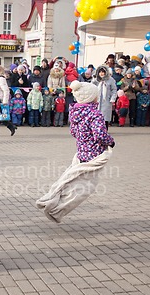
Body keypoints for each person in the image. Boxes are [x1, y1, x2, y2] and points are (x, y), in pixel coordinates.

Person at [35, 80, 114, 222]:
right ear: (91, 97)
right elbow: (100, 135)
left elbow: (73, 132)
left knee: (74, 181)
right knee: (85, 187)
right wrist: (110, 141)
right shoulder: (95, 114)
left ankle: (53, 200)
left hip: (82, 151)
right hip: (94, 154)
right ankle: (56, 208)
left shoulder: (75, 112)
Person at [92, 65, 117, 129]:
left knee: (105, 116)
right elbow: (91, 88)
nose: (101, 73)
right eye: (100, 72)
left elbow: (114, 90)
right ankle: (97, 129)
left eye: (103, 72)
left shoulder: (110, 80)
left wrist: (112, 98)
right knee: (96, 116)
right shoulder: (96, 80)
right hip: (97, 100)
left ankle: (105, 130)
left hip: (106, 100)